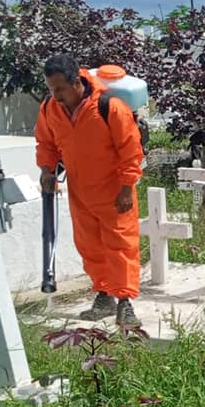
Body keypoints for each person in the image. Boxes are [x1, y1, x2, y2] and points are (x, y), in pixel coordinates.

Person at [35, 53, 145, 326]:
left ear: (76, 83)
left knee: (120, 246)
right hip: (80, 192)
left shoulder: (110, 107)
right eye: (51, 89)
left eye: (60, 89)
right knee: (90, 246)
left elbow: (130, 150)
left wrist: (126, 188)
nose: (55, 95)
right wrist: (47, 171)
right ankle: (104, 295)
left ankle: (125, 303)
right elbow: (46, 143)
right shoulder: (50, 108)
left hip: (114, 192)